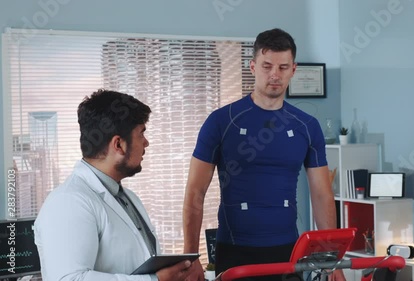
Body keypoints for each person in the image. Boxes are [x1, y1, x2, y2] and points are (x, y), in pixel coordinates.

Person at [183, 28, 346, 281]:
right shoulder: (220, 122)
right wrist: (190, 257)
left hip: (288, 251)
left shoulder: (307, 126)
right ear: (252, 66)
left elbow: (322, 194)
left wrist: (331, 259)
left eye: (282, 68)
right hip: (235, 252)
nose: (274, 75)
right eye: (267, 66)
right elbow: (195, 193)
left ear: (293, 69)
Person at [35, 89, 194, 281]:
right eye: (141, 134)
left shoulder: (126, 198)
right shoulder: (68, 202)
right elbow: (69, 279)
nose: (146, 143)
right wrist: (155, 280)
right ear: (118, 144)